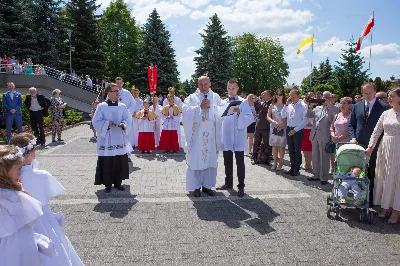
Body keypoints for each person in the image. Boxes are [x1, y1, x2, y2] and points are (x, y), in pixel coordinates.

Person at [9, 133, 84, 265]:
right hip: (43, 219)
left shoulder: (8, 178)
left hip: (17, 224)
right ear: (32, 152)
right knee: (55, 251)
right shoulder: (41, 175)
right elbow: (48, 194)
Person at [0, 145, 57, 266]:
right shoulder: (14, 196)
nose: (21, 172)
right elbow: (30, 219)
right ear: (4, 172)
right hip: (19, 245)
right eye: (18, 168)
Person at [349, 83, 389, 206]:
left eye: (370, 92)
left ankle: (370, 199)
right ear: (362, 93)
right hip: (359, 144)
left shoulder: (384, 107)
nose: (368, 95)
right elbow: (352, 125)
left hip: (375, 146)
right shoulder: (357, 106)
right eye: (365, 93)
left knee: (372, 171)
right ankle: (357, 195)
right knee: (358, 169)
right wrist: (353, 137)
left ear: (375, 91)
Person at [182, 76, 222, 197]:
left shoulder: (215, 97)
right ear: (198, 85)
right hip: (197, 134)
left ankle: (207, 186)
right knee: (196, 159)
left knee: (210, 159)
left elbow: (221, 112)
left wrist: (211, 108)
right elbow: (185, 111)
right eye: (201, 84)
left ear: (210, 83)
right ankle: (195, 187)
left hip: (211, 134)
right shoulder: (192, 97)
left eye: (205, 84)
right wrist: (199, 107)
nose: (203, 87)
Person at [366, 88, 400, 223]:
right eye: (389, 96)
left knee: (397, 179)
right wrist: (370, 146)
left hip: (398, 149)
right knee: (385, 177)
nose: (389, 99)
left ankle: (397, 210)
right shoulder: (386, 113)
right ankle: (386, 206)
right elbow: (376, 131)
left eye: (392, 96)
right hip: (385, 148)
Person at [216, 78, 254, 197]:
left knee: (240, 162)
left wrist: (239, 113)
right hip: (227, 134)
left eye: (233, 88)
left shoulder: (243, 102)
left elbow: (250, 118)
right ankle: (228, 183)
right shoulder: (223, 102)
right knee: (227, 160)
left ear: (237, 89)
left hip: (238, 135)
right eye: (229, 88)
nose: (231, 91)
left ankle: (241, 186)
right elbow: (218, 116)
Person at [92, 83, 133, 193]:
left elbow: (128, 119)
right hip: (107, 139)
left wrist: (124, 124)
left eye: (118, 91)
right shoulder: (102, 106)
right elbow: (95, 121)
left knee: (119, 160)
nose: (117, 93)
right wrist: (106, 124)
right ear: (108, 93)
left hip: (119, 137)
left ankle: (118, 183)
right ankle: (108, 184)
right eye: (115, 91)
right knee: (108, 161)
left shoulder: (122, 106)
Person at [306, 91, 338, 185]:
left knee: (324, 157)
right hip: (315, 135)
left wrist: (329, 107)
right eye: (323, 97)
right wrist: (310, 106)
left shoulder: (335, 108)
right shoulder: (318, 108)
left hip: (325, 135)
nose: (324, 99)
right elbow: (308, 115)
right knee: (315, 156)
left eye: (327, 97)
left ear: (331, 98)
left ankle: (324, 177)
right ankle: (316, 175)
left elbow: (333, 119)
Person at [281, 89, 308, 176]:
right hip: (289, 128)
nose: (292, 98)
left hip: (298, 129)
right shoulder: (289, 105)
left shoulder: (303, 106)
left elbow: (305, 120)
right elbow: (283, 115)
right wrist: (286, 104)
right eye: (291, 96)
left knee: (297, 150)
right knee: (290, 149)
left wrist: (295, 130)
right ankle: (292, 167)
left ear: (298, 96)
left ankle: (297, 168)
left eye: (294, 96)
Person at [115, 78, 135, 162]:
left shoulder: (127, 93)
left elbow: (132, 104)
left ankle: (128, 155)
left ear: (123, 83)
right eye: (117, 83)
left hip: (126, 119)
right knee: (116, 136)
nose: (119, 84)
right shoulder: (112, 93)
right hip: (115, 118)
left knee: (127, 136)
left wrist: (127, 113)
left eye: (120, 83)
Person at [267, 89, 287, 171]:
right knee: (274, 146)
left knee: (281, 146)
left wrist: (282, 125)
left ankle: (281, 162)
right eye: (277, 94)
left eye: (281, 94)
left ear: (283, 96)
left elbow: (288, 118)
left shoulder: (285, 106)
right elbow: (268, 116)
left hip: (282, 127)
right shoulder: (272, 105)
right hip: (274, 127)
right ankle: (275, 162)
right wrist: (273, 121)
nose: (279, 96)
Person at [252, 90, 272, 165]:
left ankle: (267, 158)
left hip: (266, 126)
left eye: (264, 95)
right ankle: (255, 157)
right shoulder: (262, 103)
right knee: (256, 142)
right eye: (262, 95)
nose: (262, 96)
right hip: (259, 125)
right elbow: (258, 111)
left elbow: (265, 109)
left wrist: (257, 102)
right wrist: (255, 103)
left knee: (267, 144)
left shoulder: (271, 103)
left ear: (269, 95)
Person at [301, 92, 314, 170]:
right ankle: (306, 162)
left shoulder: (317, 106)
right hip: (304, 129)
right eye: (308, 97)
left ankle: (310, 163)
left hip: (313, 129)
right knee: (305, 147)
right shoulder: (302, 105)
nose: (309, 99)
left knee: (311, 147)